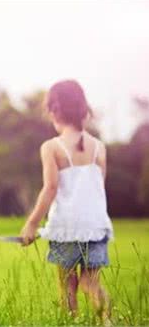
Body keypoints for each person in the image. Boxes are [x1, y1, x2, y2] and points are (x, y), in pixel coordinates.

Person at [20, 80, 113, 322]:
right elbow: (98, 188)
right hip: (95, 226)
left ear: (54, 111)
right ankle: (108, 321)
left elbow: (50, 188)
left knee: (67, 286)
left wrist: (32, 224)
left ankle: (71, 322)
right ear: (83, 109)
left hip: (67, 228)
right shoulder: (99, 147)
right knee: (92, 283)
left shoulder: (52, 147)